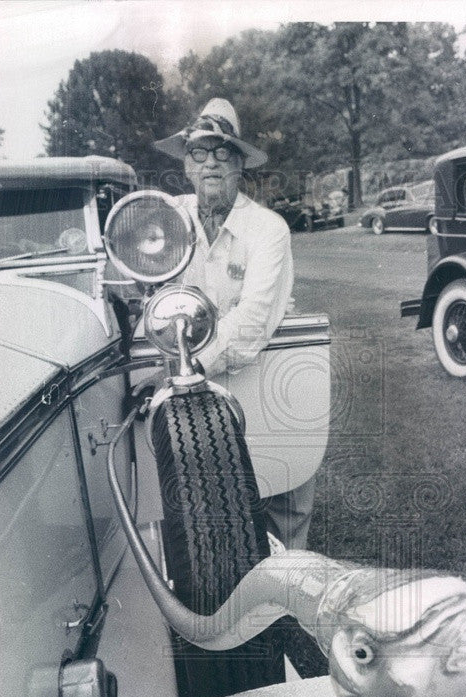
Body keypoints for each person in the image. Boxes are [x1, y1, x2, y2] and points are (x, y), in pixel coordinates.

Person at [154, 98, 314, 549]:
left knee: (283, 487)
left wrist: (184, 368)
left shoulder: (268, 229)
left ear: (240, 165)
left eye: (223, 154)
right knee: (202, 497)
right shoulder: (167, 217)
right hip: (193, 387)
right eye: (199, 153)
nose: (211, 165)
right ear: (186, 165)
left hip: (263, 370)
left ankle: (285, 602)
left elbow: (252, 321)